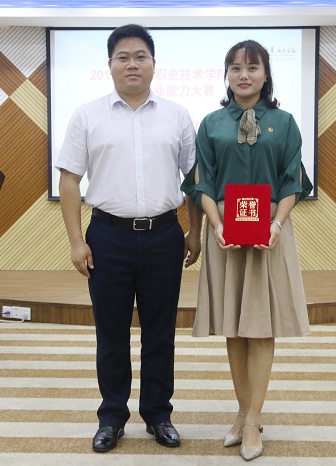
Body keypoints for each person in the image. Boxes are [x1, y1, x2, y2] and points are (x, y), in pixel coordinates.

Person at [54, 24, 202, 453]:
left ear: (154, 64)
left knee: (160, 332)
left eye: (140, 56)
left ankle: (158, 414)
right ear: (110, 65)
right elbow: (69, 181)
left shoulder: (177, 115)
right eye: (123, 57)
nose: (132, 63)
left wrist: (194, 231)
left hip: (164, 236)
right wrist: (75, 242)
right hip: (107, 237)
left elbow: (194, 180)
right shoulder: (87, 115)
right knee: (111, 333)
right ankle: (112, 417)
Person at [183, 40, 310, 461]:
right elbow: (202, 182)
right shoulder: (212, 123)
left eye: (252, 67)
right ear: (227, 74)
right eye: (235, 68)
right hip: (224, 232)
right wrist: (216, 227)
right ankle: (242, 412)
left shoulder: (285, 122)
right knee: (234, 327)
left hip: (271, 231)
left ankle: (254, 419)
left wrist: (276, 224)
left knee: (261, 325)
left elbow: (292, 182)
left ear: (266, 74)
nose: (243, 75)